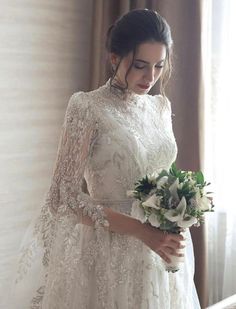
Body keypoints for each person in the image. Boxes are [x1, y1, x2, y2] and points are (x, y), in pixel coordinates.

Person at [11, 8, 201, 309]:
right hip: (109, 253)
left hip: (159, 254)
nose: (150, 77)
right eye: (140, 65)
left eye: (158, 66)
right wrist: (142, 231)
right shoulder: (87, 108)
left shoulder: (160, 108)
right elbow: (63, 197)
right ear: (115, 58)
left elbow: (164, 175)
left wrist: (180, 209)